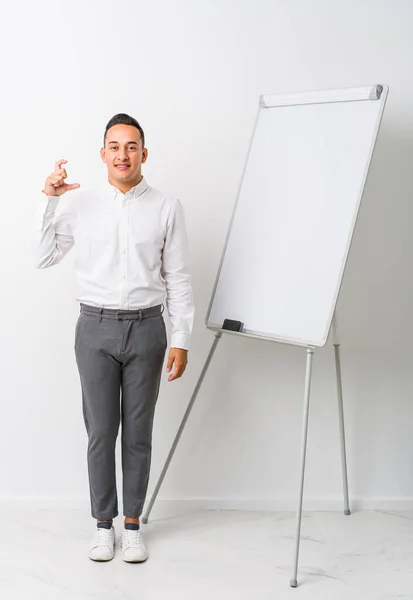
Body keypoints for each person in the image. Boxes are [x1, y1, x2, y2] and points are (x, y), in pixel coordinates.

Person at [33, 113, 195, 563]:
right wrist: (49, 200)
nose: (122, 154)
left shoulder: (166, 207)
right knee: (101, 432)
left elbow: (178, 277)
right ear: (102, 153)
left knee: (138, 433)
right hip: (95, 327)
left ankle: (133, 525)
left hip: (148, 328)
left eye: (131, 146)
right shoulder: (79, 203)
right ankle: (103, 526)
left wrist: (180, 337)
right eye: (114, 146)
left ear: (144, 153)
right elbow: (43, 256)